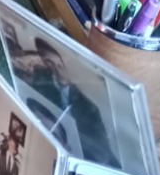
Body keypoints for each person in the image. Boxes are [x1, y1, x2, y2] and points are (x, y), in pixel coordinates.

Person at [24, 38, 119, 167]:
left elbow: (101, 154)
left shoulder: (89, 108)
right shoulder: (45, 87)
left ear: (66, 65)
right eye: (49, 64)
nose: (56, 69)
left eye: (59, 65)